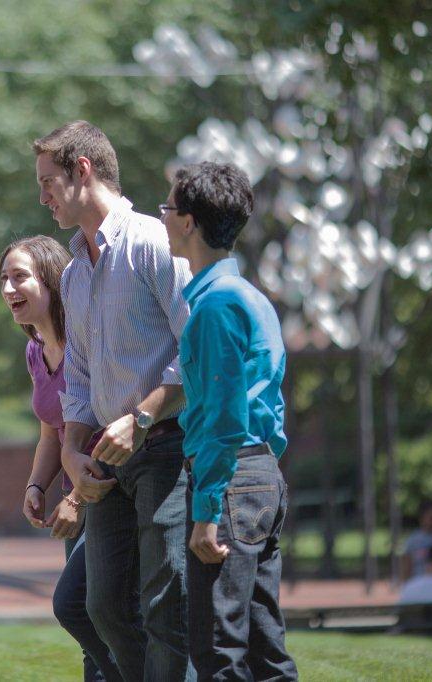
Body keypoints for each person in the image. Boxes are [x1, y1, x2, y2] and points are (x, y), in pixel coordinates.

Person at [34, 121, 193, 681]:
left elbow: (196, 346)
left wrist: (143, 417)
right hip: (104, 459)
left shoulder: (152, 242)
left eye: (48, 181)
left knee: (165, 608)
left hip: (167, 447)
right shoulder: (74, 272)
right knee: (100, 607)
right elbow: (77, 377)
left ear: (82, 170)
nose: (43, 196)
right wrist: (72, 453)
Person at [162, 161, 298, 680]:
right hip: (260, 474)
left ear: (188, 222)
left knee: (218, 649)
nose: (163, 217)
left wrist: (207, 509)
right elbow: (271, 408)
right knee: (266, 649)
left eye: (168, 208)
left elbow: (223, 416)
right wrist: (261, 474)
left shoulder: (215, 306)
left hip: (229, 479)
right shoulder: (252, 298)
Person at [0, 236, 122, 681]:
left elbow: (112, 427)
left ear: (51, 281)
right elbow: (51, 431)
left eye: (20, 277)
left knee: (75, 607)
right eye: (4, 279)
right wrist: (37, 484)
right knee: (91, 628)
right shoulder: (36, 350)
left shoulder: (87, 343)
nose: (8, 288)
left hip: (109, 491)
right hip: (75, 497)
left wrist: (77, 500)